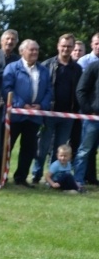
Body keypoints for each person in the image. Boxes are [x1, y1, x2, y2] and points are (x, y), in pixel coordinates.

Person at [2, 39, 52, 187]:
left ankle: (21, 178)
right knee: (6, 147)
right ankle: (1, 176)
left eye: (36, 49)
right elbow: (6, 89)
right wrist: (21, 104)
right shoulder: (12, 68)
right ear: (22, 51)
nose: (35, 52)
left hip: (34, 117)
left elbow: (49, 91)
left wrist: (41, 105)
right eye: (31, 50)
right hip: (15, 115)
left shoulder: (43, 70)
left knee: (28, 148)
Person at [32, 34, 82, 184]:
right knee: (43, 147)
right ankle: (36, 175)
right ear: (58, 46)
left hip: (68, 115)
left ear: (73, 48)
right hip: (49, 113)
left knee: (59, 150)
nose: (66, 49)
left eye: (69, 46)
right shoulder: (47, 65)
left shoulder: (77, 69)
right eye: (63, 46)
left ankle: (52, 179)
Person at [0, 29, 20, 178]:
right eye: (7, 39)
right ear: (1, 41)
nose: (9, 42)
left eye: (13, 40)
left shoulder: (17, 60)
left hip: (5, 105)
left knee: (0, 138)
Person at [73, 58, 99, 189]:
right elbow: (81, 90)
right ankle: (78, 180)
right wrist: (89, 111)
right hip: (93, 119)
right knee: (84, 150)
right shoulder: (93, 67)